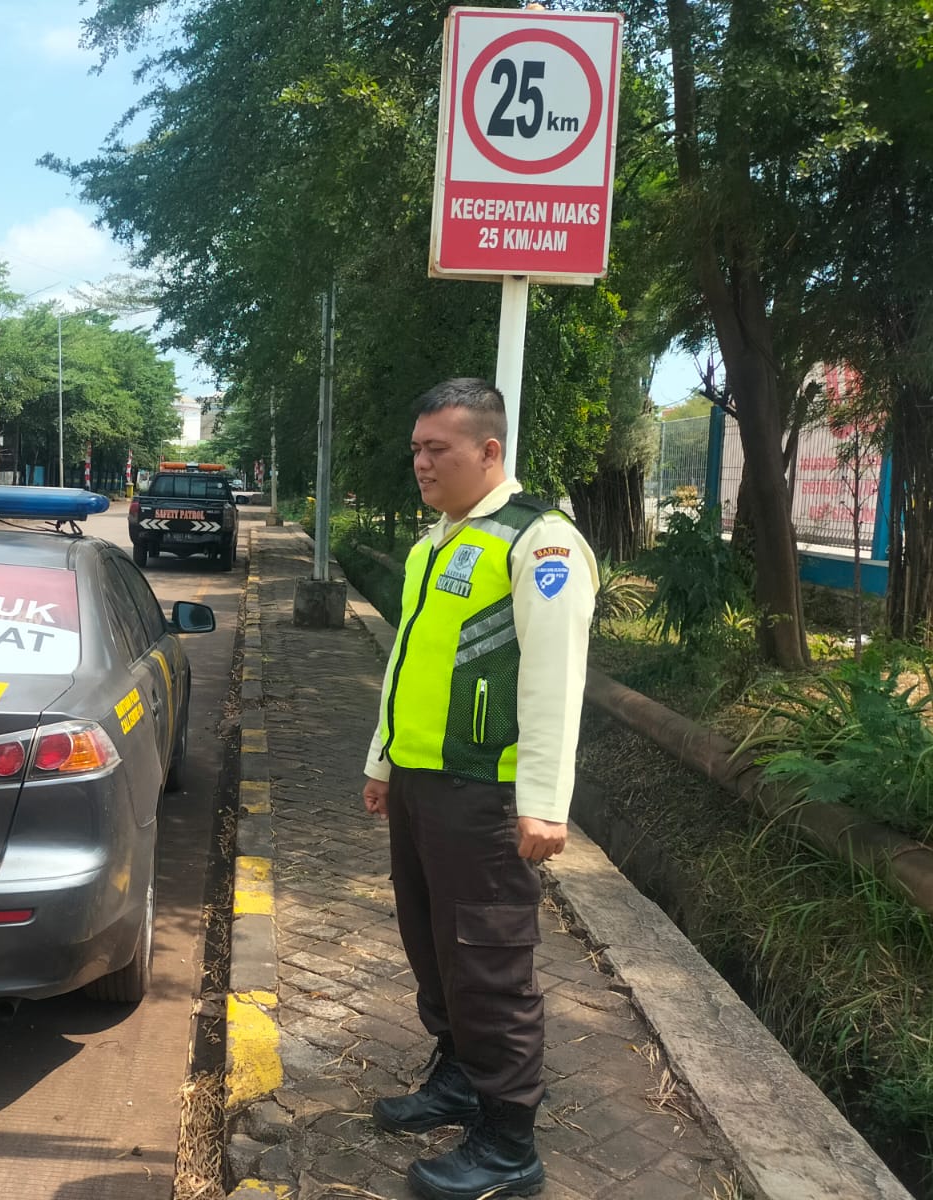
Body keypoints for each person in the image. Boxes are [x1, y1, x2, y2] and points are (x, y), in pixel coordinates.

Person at [361, 379, 596, 1200]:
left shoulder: (540, 542)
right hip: (423, 784)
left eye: (439, 449)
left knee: (488, 964)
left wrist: (545, 802)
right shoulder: (437, 543)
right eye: (417, 449)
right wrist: (383, 761)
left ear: (489, 451)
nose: (421, 463)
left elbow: (555, 680)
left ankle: (508, 1142)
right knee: (433, 946)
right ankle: (459, 1078)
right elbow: (408, 659)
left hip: (486, 797)